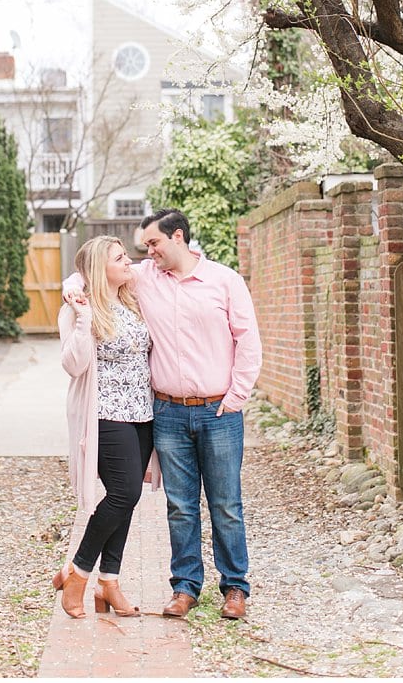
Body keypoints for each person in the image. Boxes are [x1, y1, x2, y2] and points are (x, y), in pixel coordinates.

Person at [64, 209, 262, 621]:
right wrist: (71, 288)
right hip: (166, 412)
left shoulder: (224, 281)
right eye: (143, 248)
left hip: (218, 409)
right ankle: (185, 587)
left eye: (152, 243)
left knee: (226, 503)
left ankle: (235, 588)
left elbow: (248, 341)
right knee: (180, 505)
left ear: (177, 237)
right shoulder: (145, 278)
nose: (145, 252)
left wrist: (236, 397)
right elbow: (92, 271)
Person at [54, 235, 159, 619]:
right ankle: (77, 573)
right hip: (105, 414)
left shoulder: (131, 300)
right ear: (101, 268)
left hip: (142, 413)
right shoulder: (78, 310)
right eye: (119, 257)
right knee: (122, 493)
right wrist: (82, 316)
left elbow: (160, 266)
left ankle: (109, 583)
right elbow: (74, 365)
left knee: (128, 499)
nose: (128, 260)